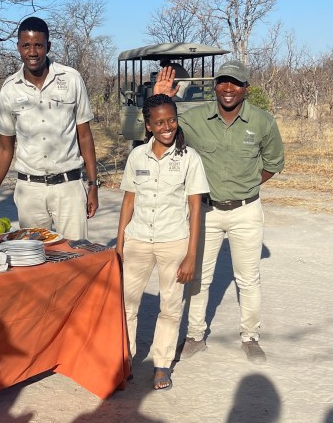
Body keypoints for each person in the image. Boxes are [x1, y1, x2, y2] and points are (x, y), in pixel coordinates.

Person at [154, 59, 284, 363]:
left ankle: (250, 337)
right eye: (223, 81)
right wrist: (161, 98)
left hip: (246, 211)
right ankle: (195, 336)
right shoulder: (194, 119)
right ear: (215, 86)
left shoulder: (262, 121)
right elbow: (160, 135)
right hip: (206, 212)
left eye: (236, 83)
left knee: (248, 278)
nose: (228, 88)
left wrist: (247, 184)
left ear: (246, 88)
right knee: (198, 277)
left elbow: (274, 162)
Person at [116, 93, 209, 391]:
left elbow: (195, 208)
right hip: (138, 240)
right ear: (148, 126)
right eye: (159, 122)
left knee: (170, 306)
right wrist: (120, 243)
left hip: (174, 242)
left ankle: (162, 364)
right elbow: (128, 201)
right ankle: (124, 360)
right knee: (126, 304)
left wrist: (191, 255)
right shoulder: (137, 157)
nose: (166, 127)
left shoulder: (189, 158)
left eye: (171, 120)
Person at [0, 16, 99, 239]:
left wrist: (93, 185)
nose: (32, 52)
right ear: (18, 47)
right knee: (33, 254)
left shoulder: (71, 79)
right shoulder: (10, 89)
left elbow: (85, 136)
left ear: (48, 46)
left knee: (75, 253)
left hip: (69, 187)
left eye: (38, 45)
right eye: (26, 45)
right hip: (30, 190)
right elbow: (5, 148)